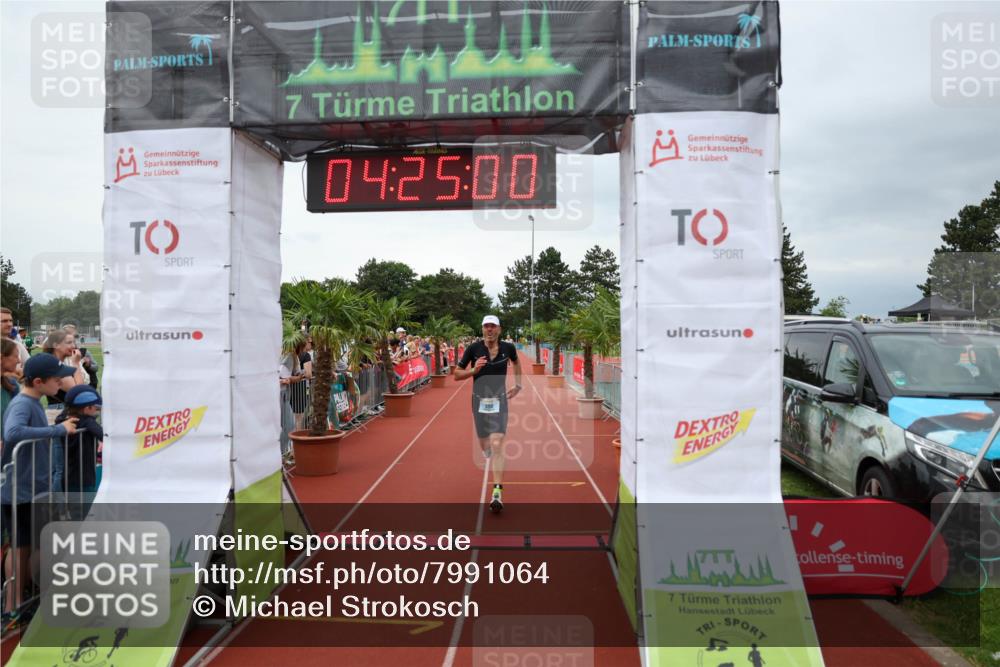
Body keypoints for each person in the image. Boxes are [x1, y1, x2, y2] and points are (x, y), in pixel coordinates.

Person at [1, 353, 79, 615]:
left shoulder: (33, 400)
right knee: (27, 545)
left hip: (31, 488)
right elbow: (12, 433)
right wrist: (57, 430)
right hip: (21, 490)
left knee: (28, 544)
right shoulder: (22, 403)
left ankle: (21, 602)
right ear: (38, 381)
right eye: (56, 379)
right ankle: (17, 603)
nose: (60, 383)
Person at [453, 315, 523, 513]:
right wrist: (474, 370)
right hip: (479, 401)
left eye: (493, 326)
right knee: (485, 443)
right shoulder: (473, 349)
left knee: (498, 442)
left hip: (499, 400)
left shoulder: (508, 348)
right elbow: (457, 375)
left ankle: (497, 493)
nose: (490, 330)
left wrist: (518, 385)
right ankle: (486, 449)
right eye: (486, 326)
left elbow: (517, 363)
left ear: (499, 329)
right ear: (482, 329)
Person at [55, 385, 103, 494]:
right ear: (87, 409)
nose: (97, 411)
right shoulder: (86, 422)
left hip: (68, 477)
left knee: (73, 508)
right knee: (85, 509)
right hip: (84, 479)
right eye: (96, 408)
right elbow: (103, 435)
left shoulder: (63, 420)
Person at [41, 330, 88, 419]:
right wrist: (76, 363)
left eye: (73, 342)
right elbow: (78, 390)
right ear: (56, 345)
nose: (73, 346)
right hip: (59, 411)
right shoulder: (54, 365)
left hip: (62, 410)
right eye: (69, 343)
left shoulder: (57, 363)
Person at [1, 339, 20, 442]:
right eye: (16, 356)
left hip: (7, 450)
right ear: (1, 358)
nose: (19, 361)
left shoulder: (12, 385)